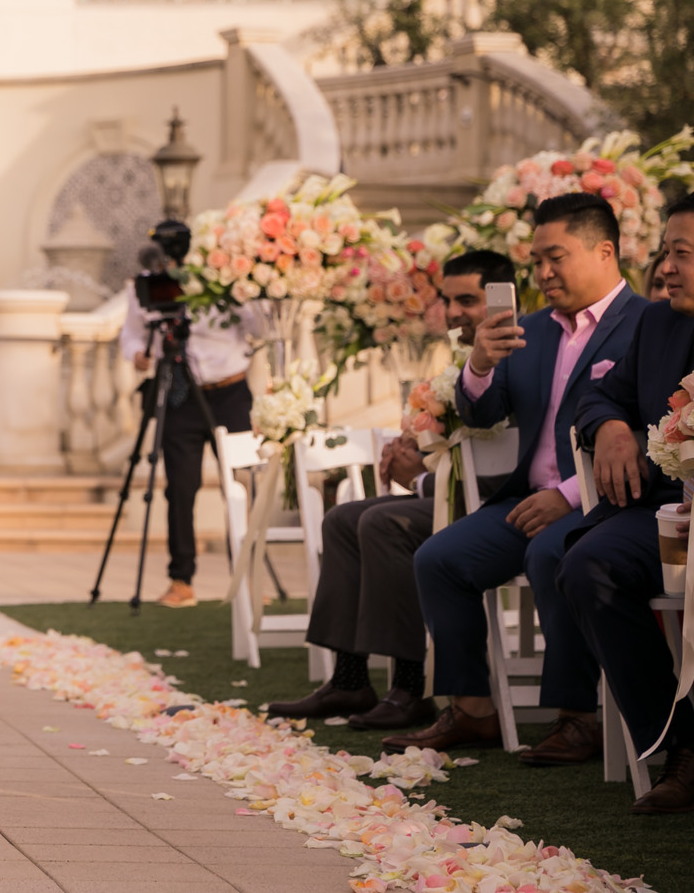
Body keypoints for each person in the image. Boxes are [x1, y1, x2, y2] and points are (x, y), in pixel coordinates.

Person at [388, 194, 640, 755]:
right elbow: (482, 413)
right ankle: (472, 710)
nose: (543, 273)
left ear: (604, 251)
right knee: (439, 558)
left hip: (604, 502)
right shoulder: (529, 329)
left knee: (549, 553)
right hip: (525, 498)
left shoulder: (647, 323)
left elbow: (649, 431)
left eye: (556, 257)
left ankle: (578, 716)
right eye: (536, 261)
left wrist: (571, 495)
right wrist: (479, 364)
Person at [265, 251, 510, 727]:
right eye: (449, 300)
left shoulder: (515, 357)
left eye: (469, 301)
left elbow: (507, 462)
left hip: (491, 507)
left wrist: (419, 476)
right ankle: (351, 679)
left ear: (501, 301)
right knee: (342, 517)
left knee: (384, 522)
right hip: (446, 494)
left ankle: (409, 686)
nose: (456, 312)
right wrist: (418, 454)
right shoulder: (460, 359)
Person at [564, 196, 694, 812]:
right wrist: (611, 426)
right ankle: (678, 744)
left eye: (682, 255)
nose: (665, 269)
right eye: (666, 253)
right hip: (663, 512)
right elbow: (596, 397)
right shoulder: (657, 322)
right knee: (588, 563)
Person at [117, 251, 254, 609]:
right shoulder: (147, 287)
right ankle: (181, 580)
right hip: (178, 393)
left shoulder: (223, 280)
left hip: (230, 393)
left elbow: (256, 327)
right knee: (179, 489)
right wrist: (137, 355)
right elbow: (130, 335)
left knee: (241, 485)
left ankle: (248, 577)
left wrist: (240, 288)